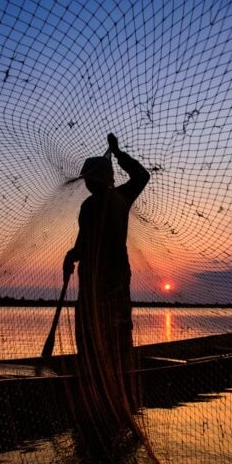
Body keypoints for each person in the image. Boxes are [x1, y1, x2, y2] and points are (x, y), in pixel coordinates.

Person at [63, 133, 150, 403]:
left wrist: (118, 152)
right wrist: (71, 255)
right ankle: (93, 377)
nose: (88, 184)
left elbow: (141, 176)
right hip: (91, 278)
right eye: (87, 180)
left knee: (116, 329)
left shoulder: (119, 197)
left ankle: (116, 379)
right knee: (90, 330)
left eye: (91, 179)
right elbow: (83, 241)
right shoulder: (88, 206)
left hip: (112, 279)